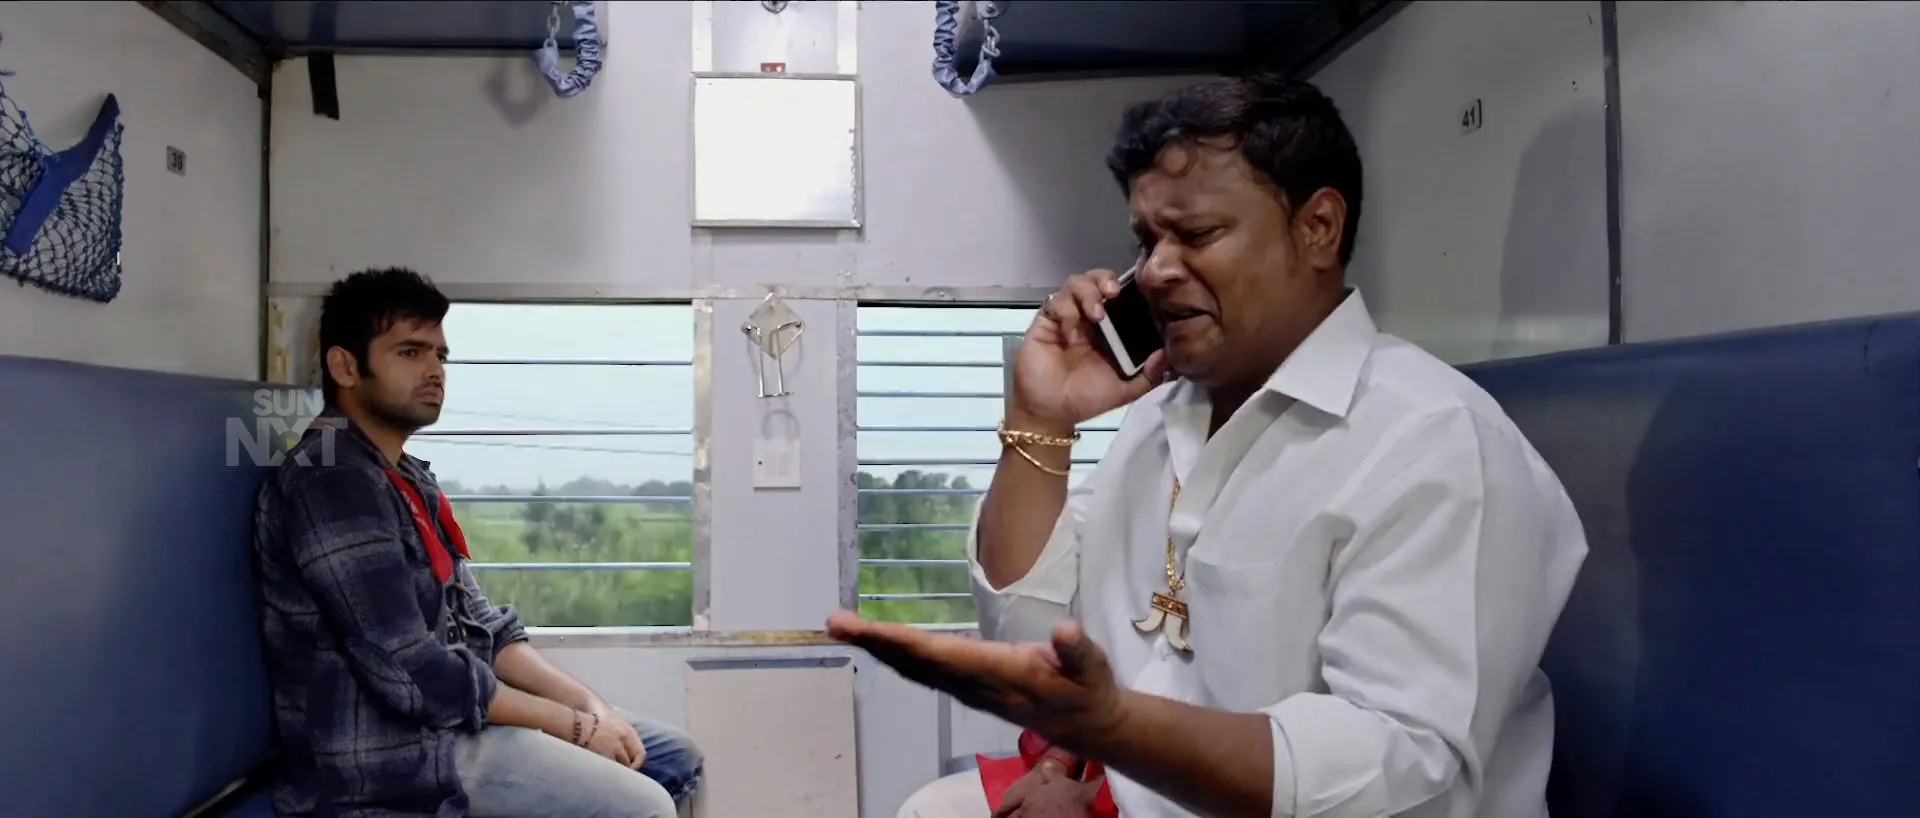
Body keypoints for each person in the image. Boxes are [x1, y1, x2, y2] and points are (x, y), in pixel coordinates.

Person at [831, 74, 1589, 818]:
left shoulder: (1433, 441)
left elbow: (1396, 766)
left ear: (1318, 228)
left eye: (1196, 235)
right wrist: (1042, 418)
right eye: (1147, 240)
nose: (1156, 270)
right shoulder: (1163, 415)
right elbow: (1027, 631)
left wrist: (1115, 731)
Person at [252, 267, 703, 818]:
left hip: (452, 725)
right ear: (345, 366)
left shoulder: (405, 478)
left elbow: (481, 624)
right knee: (644, 804)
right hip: (388, 760)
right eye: (410, 353)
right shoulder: (330, 482)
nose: (434, 371)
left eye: (440, 356)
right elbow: (411, 671)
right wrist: (572, 727)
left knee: (672, 757)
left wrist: (589, 706)